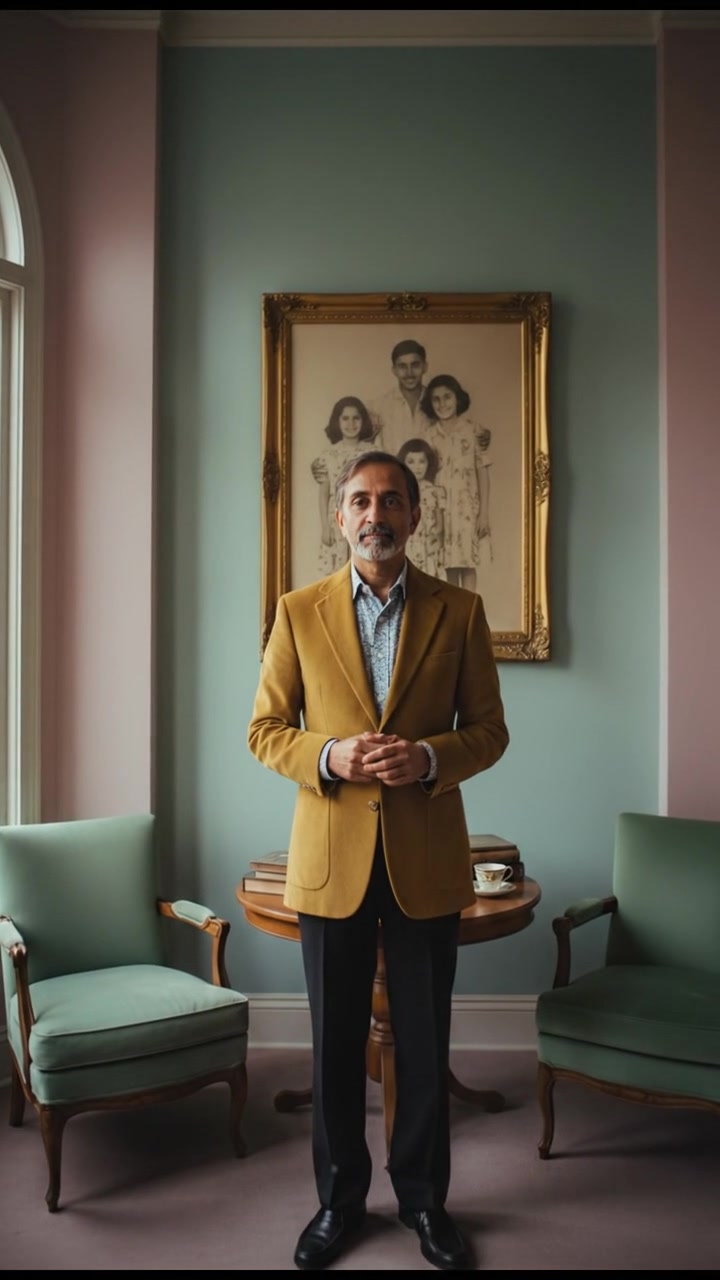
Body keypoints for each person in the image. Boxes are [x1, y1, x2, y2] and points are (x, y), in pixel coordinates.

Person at [248, 448, 509, 1271]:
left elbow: (489, 731)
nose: (376, 514)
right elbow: (265, 730)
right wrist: (331, 757)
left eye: (391, 500)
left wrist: (428, 760)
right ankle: (338, 1204)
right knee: (332, 1046)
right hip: (330, 862)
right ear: (340, 517)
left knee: (425, 1044)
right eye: (360, 500)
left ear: (416, 515)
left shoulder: (459, 611)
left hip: (426, 860)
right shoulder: (298, 611)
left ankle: (426, 1203)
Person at [420, 374, 493, 593]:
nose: (443, 404)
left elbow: (482, 472)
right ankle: (455, 616)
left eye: (447, 397)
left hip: (467, 509)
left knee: (468, 563)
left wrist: (484, 514)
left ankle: (469, 614)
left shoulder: (474, 431)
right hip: (441, 510)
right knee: (449, 564)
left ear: (457, 398)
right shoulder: (429, 435)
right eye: (436, 399)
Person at [310, 396, 376, 574]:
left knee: (365, 566)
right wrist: (325, 526)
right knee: (336, 570)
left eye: (356, 418)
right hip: (336, 517)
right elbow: (324, 493)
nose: (351, 423)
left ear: (363, 421)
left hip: (363, 515)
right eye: (345, 418)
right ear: (337, 421)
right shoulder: (328, 454)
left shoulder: (372, 452)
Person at [368, 338, 431, 455]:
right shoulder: (378, 407)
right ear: (394, 370)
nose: (409, 373)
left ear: (425, 367)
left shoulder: (438, 404)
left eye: (415, 365)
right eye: (402, 366)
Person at [397, 436, 446, 578]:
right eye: (411, 462)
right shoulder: (400, 491)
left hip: (428, 543)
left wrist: (437, 538)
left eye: (421, 461)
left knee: (429, 579)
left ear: (428, 463)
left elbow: (439, 521)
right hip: (408, 543)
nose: (417, 467)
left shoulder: (436, 491)